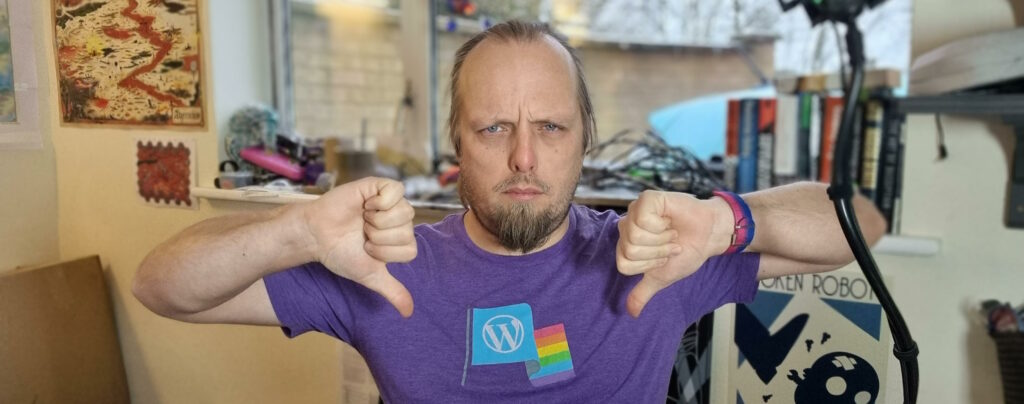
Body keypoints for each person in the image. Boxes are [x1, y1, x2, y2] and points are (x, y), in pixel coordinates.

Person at [133, 20, 886, 402]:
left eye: (551, 128)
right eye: (494, 128)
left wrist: (727, 220)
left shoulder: (659, 254)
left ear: (584, 136)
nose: (524, 158)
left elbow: (863, 222)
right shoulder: (380, 267)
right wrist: (294, 227)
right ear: (456, 140)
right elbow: (161, 285)